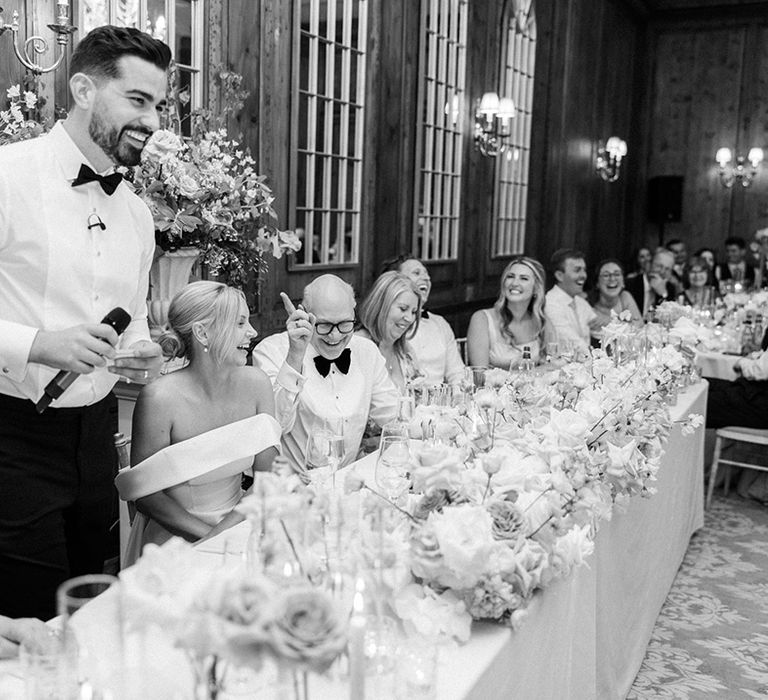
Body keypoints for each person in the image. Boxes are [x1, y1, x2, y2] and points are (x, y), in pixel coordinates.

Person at [0, 26, 170, 619]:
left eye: (159, 105)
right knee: (32, 623)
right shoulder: (8, 177)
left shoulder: (139, 215)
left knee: (93, 612)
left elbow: (136, 327)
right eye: (138, 100)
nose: (152, 121)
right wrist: (40, 344)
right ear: (82, 89)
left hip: (98, 439)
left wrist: (142, 352)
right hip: (13, 439)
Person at [119, 282, 280, 564]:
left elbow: (268, 479)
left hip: (242, 525)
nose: (253, 332)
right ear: (202, 333)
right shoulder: (159, 398)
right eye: (240, 322)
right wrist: (212, 540)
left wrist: (228, 535)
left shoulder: (257, 383)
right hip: (173, 542)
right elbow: (147, 497)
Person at [253, 275, 399, 471]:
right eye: (324, 325)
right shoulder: (271, 351)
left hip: (348, 483)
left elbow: (392, 415)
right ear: (303, 314)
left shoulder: (367, 351)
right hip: (294, 489)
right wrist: (295, 355)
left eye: (345, 324)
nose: (335, 335)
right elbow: (275, 425)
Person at [381, 255, 465, 385]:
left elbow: (456, 372)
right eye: (417, 273)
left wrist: (459, 397)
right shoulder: (391, 326)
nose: (426, 278)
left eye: (427, 275)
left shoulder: (440, 323)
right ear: (396, 282)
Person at [467, 256, 547, 368]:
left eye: (523, 278)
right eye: (510, 276)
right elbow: (480, 374)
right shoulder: (481, 319)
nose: (514, 283)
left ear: (536, 289)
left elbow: (553, 364)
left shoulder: (541, 322)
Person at [357, 271, 424, 392]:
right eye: (403, 309)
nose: (409, 318)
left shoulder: (405, 351)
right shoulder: (359, 345)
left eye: (414, 312)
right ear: (381, 306)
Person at [543, 249, 596, 355]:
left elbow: (600, 330)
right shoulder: (549, 303)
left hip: (585, 365)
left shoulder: (581, 303)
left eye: (584, 270)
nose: (584, 275)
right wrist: (597, 359)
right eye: (577, 270)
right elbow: (573, 343)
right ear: (559, 275)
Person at [587, 259, 642, 342]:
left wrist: (609, 320)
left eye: (617, 274)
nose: (612, 278)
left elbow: (639, 326)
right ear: (597, 283)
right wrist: (622, 323)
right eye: (606, 275)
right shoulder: (587, 303)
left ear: (623, 282)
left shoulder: (625, 297)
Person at [625, 248, 678, 318]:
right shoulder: (630, 284)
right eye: (659, 266)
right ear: (649, 265)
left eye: (667, 269)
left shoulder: (669, 288)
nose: (662, 271)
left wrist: (663, 295)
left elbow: (669, 319)